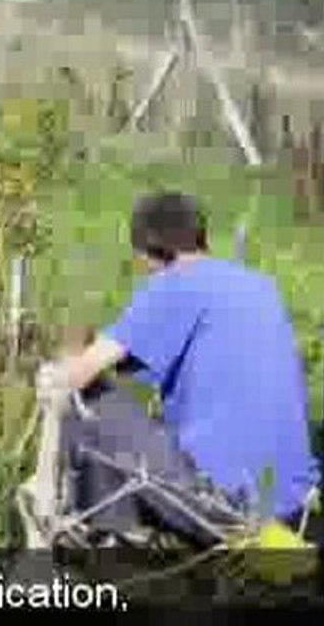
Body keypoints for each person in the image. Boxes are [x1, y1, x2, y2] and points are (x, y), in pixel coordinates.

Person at [53, 191, 321, 547]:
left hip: (227, 507)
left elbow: (76, 375)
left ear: (146, 253)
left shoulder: (172, 284)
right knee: (140, 426)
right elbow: (139, 356)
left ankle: (102, 542)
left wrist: (63, 355)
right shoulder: (258, 286)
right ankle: (121, 535)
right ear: (202, 237)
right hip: (293, 505)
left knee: (89, 401)